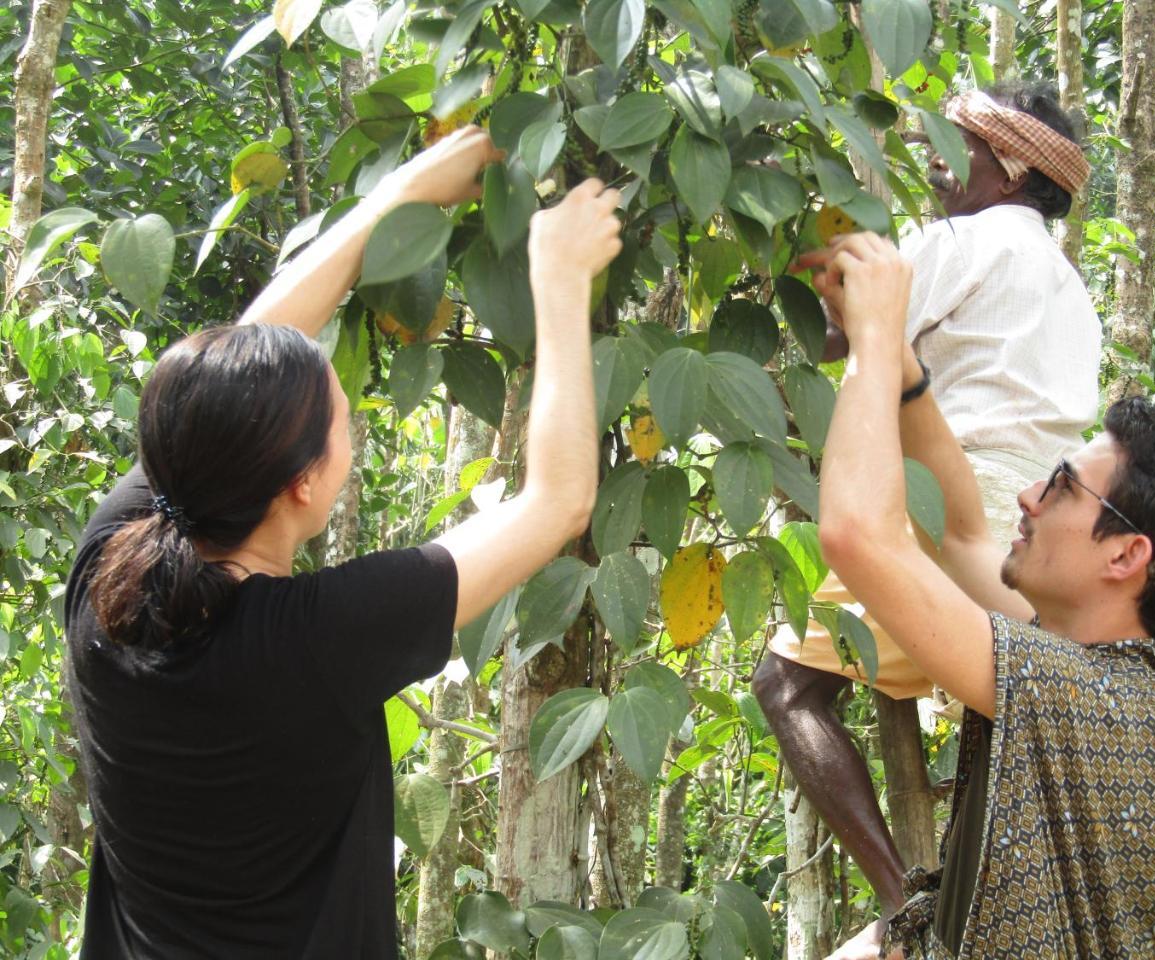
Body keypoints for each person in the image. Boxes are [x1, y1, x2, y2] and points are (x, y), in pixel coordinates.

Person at [65, 127, 623, 957]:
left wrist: (402, 191)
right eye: (341, 417)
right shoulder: (318, 641)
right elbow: (559, 500)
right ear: (302, 483)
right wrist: (560, 279)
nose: (350, 426)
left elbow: (240, 361)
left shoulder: (108, 570)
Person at [815, 232, 1155, 958]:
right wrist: (900, 365)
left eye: (1060, 487)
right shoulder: (1114, 683)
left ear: (1125, 555)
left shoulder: (1078, 696)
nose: (1026, 495)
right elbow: (959, 534)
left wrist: (865, 340)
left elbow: (860, 535)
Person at [753, 80, 1101, 912]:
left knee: (787, 687)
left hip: (946, 504)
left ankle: (905, 901)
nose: (942, 167)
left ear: (1011, 169)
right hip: (1035, 531)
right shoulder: (1070, 289)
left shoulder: (960, 240)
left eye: (962, 151)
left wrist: (785, 241)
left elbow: (844, 336)